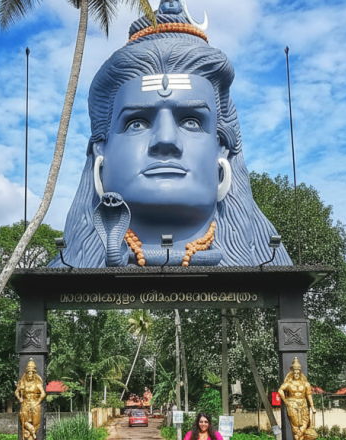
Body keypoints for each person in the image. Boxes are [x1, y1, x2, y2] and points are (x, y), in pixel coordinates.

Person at [52, 5, 290, 268]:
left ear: (222, 147)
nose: (165, 141)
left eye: (191, 121)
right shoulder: (69, 265)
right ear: (101, 150)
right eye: (137, 123)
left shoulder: (268, 260)